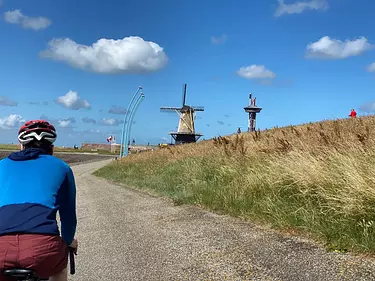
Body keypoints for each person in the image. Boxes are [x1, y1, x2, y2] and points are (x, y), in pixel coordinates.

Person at [0, 120, 78, 281]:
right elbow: (68, 217)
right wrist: (68, 241)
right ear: (52, 148)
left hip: (2, 249)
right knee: (59, 269)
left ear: (21, 146)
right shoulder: (62, 168)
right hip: (43, 250)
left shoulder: (1, 166)